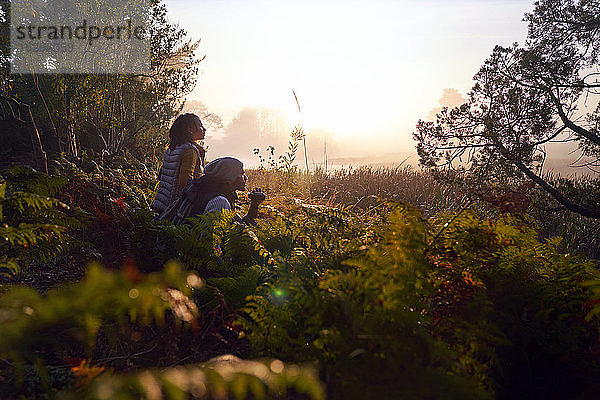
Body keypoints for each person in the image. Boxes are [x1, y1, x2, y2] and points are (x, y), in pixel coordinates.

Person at [165, 157, 266, 225]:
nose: (246, 178)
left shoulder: (202, 190)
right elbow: (210, 245)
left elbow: (240, 224)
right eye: (242, 173)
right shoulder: (219, 201)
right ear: (229, 175)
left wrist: (254, 205)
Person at [152, 113, 206, 214]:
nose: (204, 129)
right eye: (200, 126)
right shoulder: (190, 150)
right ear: (190, 129)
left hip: (161, 203)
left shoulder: (173, 147)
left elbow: (163, 175)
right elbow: (185, 182)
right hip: (175, 208)